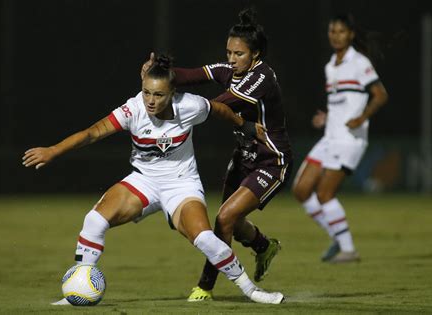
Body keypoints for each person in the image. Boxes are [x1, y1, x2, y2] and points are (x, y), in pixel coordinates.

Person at [22, 55, 284, 304]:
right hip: (144, 181)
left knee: (205, 238)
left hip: (182, 185)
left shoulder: (189, 105)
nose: (150, 100)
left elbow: (218, 109)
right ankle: (78, 289)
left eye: (158, 94)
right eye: (146, 92)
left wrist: (244, 125)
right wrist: (53, 151)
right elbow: (92, 133)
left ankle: (251, 290)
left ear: (172, 93)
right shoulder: (133, 109)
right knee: (94, 220)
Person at [142, 8, 292, 301]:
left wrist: (171, 101)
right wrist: (160, 76)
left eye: (239, 54)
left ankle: (206, 286)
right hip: (244, 158)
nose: (232, 59)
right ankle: (263, 246)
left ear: (255, 54)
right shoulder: (231, 70)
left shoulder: (262, 77)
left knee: (224, 218)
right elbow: (193, 75)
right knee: (232, 224)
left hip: (271, 161)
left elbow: (219, 104)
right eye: (229, 53)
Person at [292, 14, 388, 263]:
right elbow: (343, 101)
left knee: (325, 193)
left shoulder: (359, 62)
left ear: (351, 34)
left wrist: (361, 117)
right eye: (332, 31)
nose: (335, 36)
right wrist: (327, 117)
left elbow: (380, 94)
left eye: (341, 31)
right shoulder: (331, 65)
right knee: (301, 190)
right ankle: (337, 235)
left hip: (349, 140)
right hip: (330, 137)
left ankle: (348, 249)